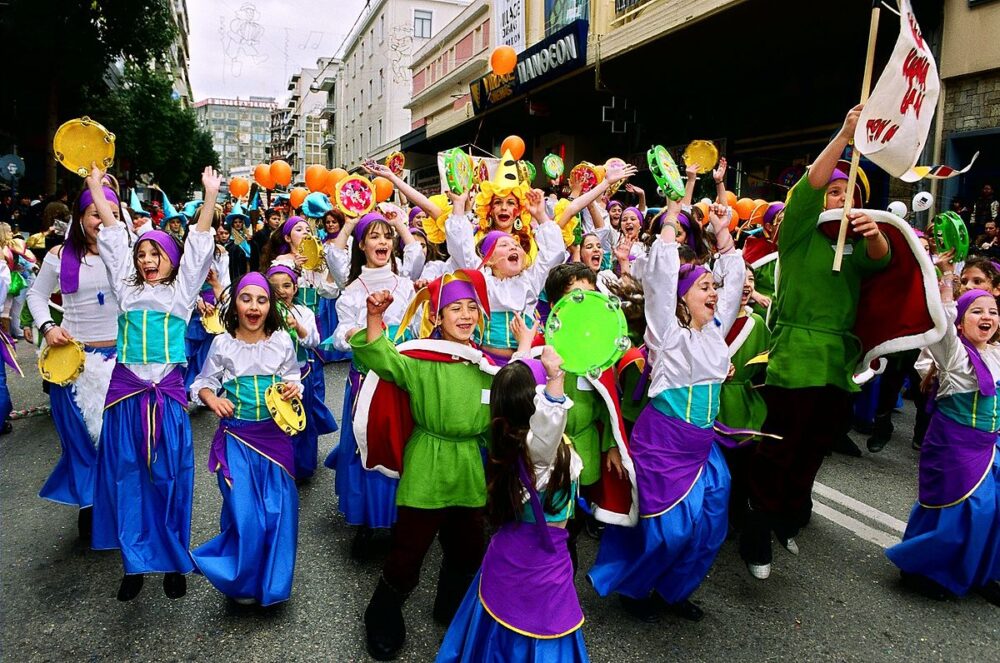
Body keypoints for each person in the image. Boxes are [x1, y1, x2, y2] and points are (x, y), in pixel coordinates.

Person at [738, 106, 892, 580]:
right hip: (797, 354)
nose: (839, 197)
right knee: (781, 443)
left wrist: (875, 238)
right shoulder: (801, 233)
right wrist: (846, 134)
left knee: (814, 446)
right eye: (834, 191)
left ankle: (788, 516)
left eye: (849, 193)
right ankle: (756, 524)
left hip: (838, 361)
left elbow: (881, 266)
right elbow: (810, 184)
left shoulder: (856, 240)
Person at [587, 200, 744, 622]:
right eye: (704, 287)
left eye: (714, 286)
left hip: (704, 448)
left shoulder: (715, 330)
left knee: (710, 529)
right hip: (665, 441)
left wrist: (724, 231)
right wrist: (672, 219)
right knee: (670, 531)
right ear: (681, 298)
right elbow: (659, 274)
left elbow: (736, 276)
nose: (714, 293)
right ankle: (635, 588)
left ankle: (673, 593)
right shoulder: (666, 334)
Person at [89, 164, 221, 602]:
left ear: (171, 260)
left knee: (170, 478)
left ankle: (171, 557)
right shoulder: (126, 292)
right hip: (126, 398)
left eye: (155, 254)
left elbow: (200, 246)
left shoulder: (182, 294)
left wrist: (210, 195)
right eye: (142, 255)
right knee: (128, 477)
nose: (146, 261)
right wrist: (95, 186)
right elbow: (111, 238)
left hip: (165, 398)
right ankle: (134, 562)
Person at [351, 272, 497, 661]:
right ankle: (381, 615)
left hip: (468, 467)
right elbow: (381, 358)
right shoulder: (419, 359)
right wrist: (373, 318)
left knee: (467, 549)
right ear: (437, 316)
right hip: (427, 464)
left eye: (471, 308)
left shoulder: (487, 365)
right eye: (455, 308)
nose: (465, 315)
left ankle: (450, 607)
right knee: (408, 551)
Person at [436, 348, 589, 662]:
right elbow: (548, 424)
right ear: (536, 405)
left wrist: (525, 345)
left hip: (507, 557)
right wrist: (556, 378)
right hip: (540, 566)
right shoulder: (540, 454)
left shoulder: (511, 441)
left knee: (493, 637)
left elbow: (515, 388)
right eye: (542, 387)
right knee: (538, 628)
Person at [885, 262, 1000, 606]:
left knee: (994, 510)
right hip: (954, 442)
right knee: (965, 509)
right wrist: (948, 286)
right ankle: (925, 570)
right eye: (976, 311)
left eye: (993, 312)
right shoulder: (954, 355)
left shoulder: (996, 352)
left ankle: (981, 573)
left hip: (989, 445)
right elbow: (941, 327)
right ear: (961, 320)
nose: (986, 317)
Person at [190, 272, 303, 606]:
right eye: (246, 298)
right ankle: (241, 579)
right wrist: (212, 399)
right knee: (247, 514)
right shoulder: (223, 343)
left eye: (262, 300)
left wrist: (294, 386)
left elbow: (293, 376)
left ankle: (273, 582)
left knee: (279, 510)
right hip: (237, 438)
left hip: (275, 438)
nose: (254, 307)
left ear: (271, 306)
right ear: (235, 304)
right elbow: (202, 383)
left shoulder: (282, 340)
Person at [27, 183, 121, 540]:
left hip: (120, 363)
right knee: (80, 440)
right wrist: (48, 327)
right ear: (81, 218)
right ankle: (88, 503)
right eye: (95, 212)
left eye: (108, 211)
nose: (101, 219)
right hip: (73, 364)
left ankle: (116, 501)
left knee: (115, 440)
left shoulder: (126, 255)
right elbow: (36, 296)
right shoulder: (57, 255)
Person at [326, 211, 420, 558]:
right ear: (361, 245)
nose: (382, 242)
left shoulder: (406, 285)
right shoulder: (352, 290)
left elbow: (420, 328)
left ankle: (401, 519)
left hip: (401, 381)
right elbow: (338, 336)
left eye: (387, 236)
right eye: (375, 237)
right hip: (365, 382)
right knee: (363, 448)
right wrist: (356, 331)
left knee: (402, 448)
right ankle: (369, 521)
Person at [265, 263, 334, 483]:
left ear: (295, 288)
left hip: (301, 374)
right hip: (273, 375)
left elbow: (313, 341)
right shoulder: (264, 312)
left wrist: (297, 326)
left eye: (287, 285)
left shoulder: (303, 311)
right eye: (274, 287)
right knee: (275, 421)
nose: (281, 291)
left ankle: (302, 466)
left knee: (301, 420)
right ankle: (277, 462)